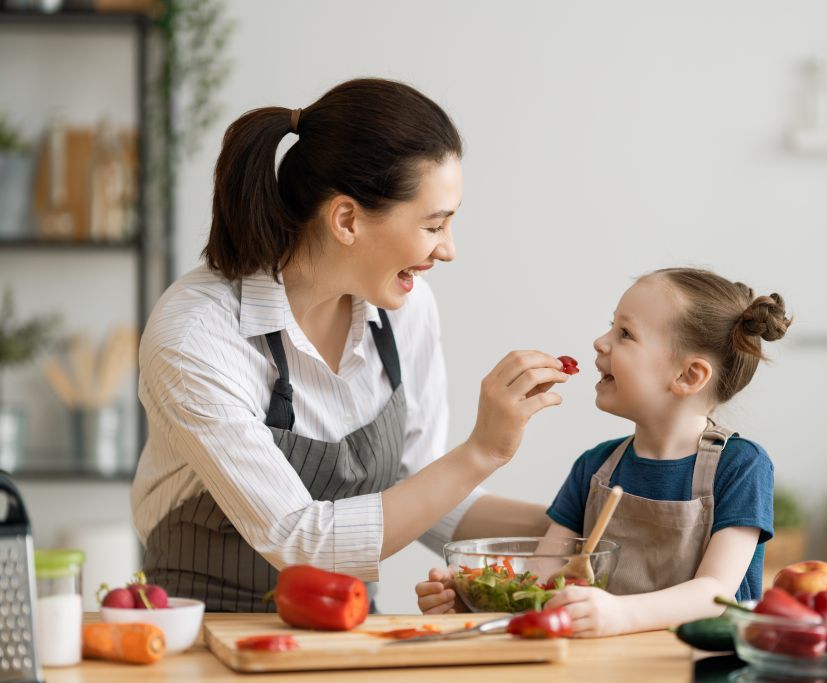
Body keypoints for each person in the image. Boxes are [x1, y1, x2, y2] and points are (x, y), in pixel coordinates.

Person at [130, 78, 567, 611]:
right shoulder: (197, 336)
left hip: (348, 628)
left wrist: (574, 516)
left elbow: (425, 494)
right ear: (347, 219)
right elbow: (303, 542)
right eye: (434, 225)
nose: (449, 250)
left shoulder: (406, 311)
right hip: (205, 636)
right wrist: (483, 451)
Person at [416, 267, 790, 636]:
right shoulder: (595, 468)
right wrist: (475, 598)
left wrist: (621, 615)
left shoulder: (741, 466)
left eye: (625, 333)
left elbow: (714, 593)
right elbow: (542, 583)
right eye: (611, 326)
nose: (600, 341)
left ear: (688, 376)